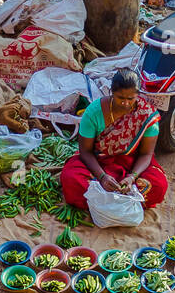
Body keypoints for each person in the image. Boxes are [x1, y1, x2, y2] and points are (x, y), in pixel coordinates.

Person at [60, 69, 168, 211]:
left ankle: (106, 202)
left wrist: (132, 177)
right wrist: (102, 177)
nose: (125, 103)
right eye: (120, 98)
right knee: (71, 179)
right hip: (98, 161)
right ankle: (123, 203)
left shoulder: (146, 115)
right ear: (111, 92)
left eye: (130, 99)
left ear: (138, 95)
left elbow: (146, 154)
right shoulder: (94, 112)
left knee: (159, 185)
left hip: (131, 162)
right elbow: (85, 151)